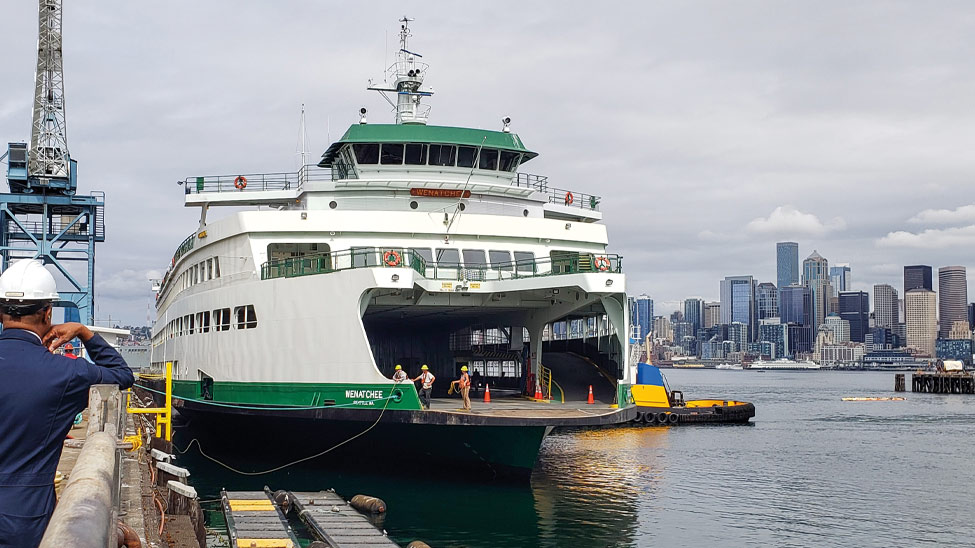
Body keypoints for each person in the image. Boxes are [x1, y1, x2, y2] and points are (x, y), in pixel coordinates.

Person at [0, 260, 134, 548]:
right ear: (47, 313)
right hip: (25, 518)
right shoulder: (67, 372)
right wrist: (85, 333)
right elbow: (123, 375)